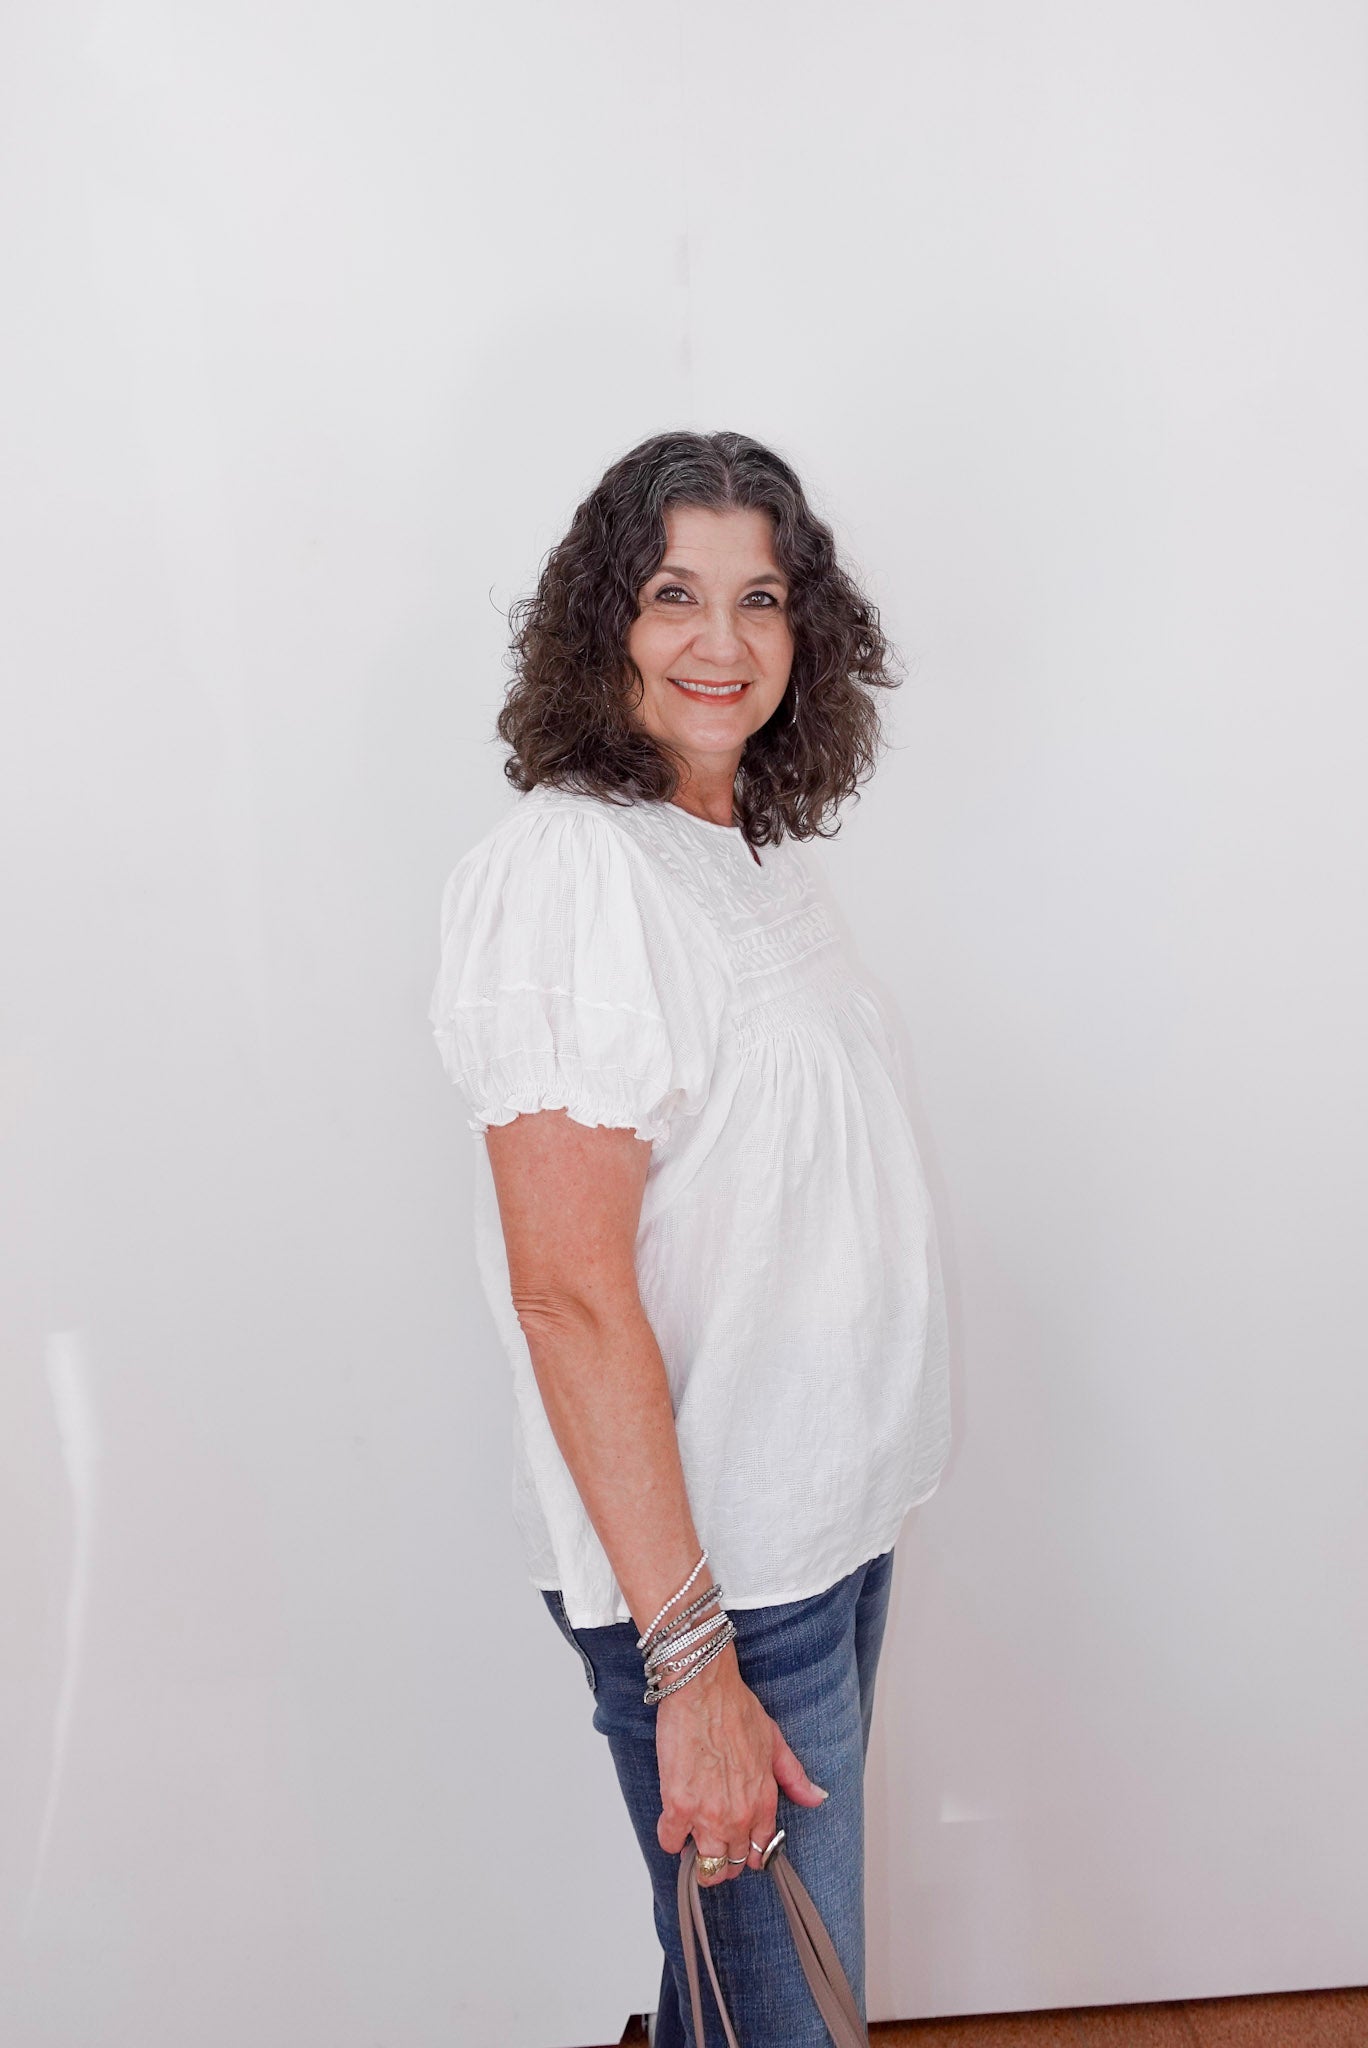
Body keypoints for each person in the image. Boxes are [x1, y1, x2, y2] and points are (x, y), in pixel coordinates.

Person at [428, 429, 950, 2045]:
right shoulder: (577, 871)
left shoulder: (741, 859)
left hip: (825, 1529)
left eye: (762, 598)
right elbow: (570, 1298)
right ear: (605, 626)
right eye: (673, 595)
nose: (722, 643)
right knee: (787, 2016)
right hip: (725, 1583)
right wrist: (690, 1659)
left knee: (733, 1983)